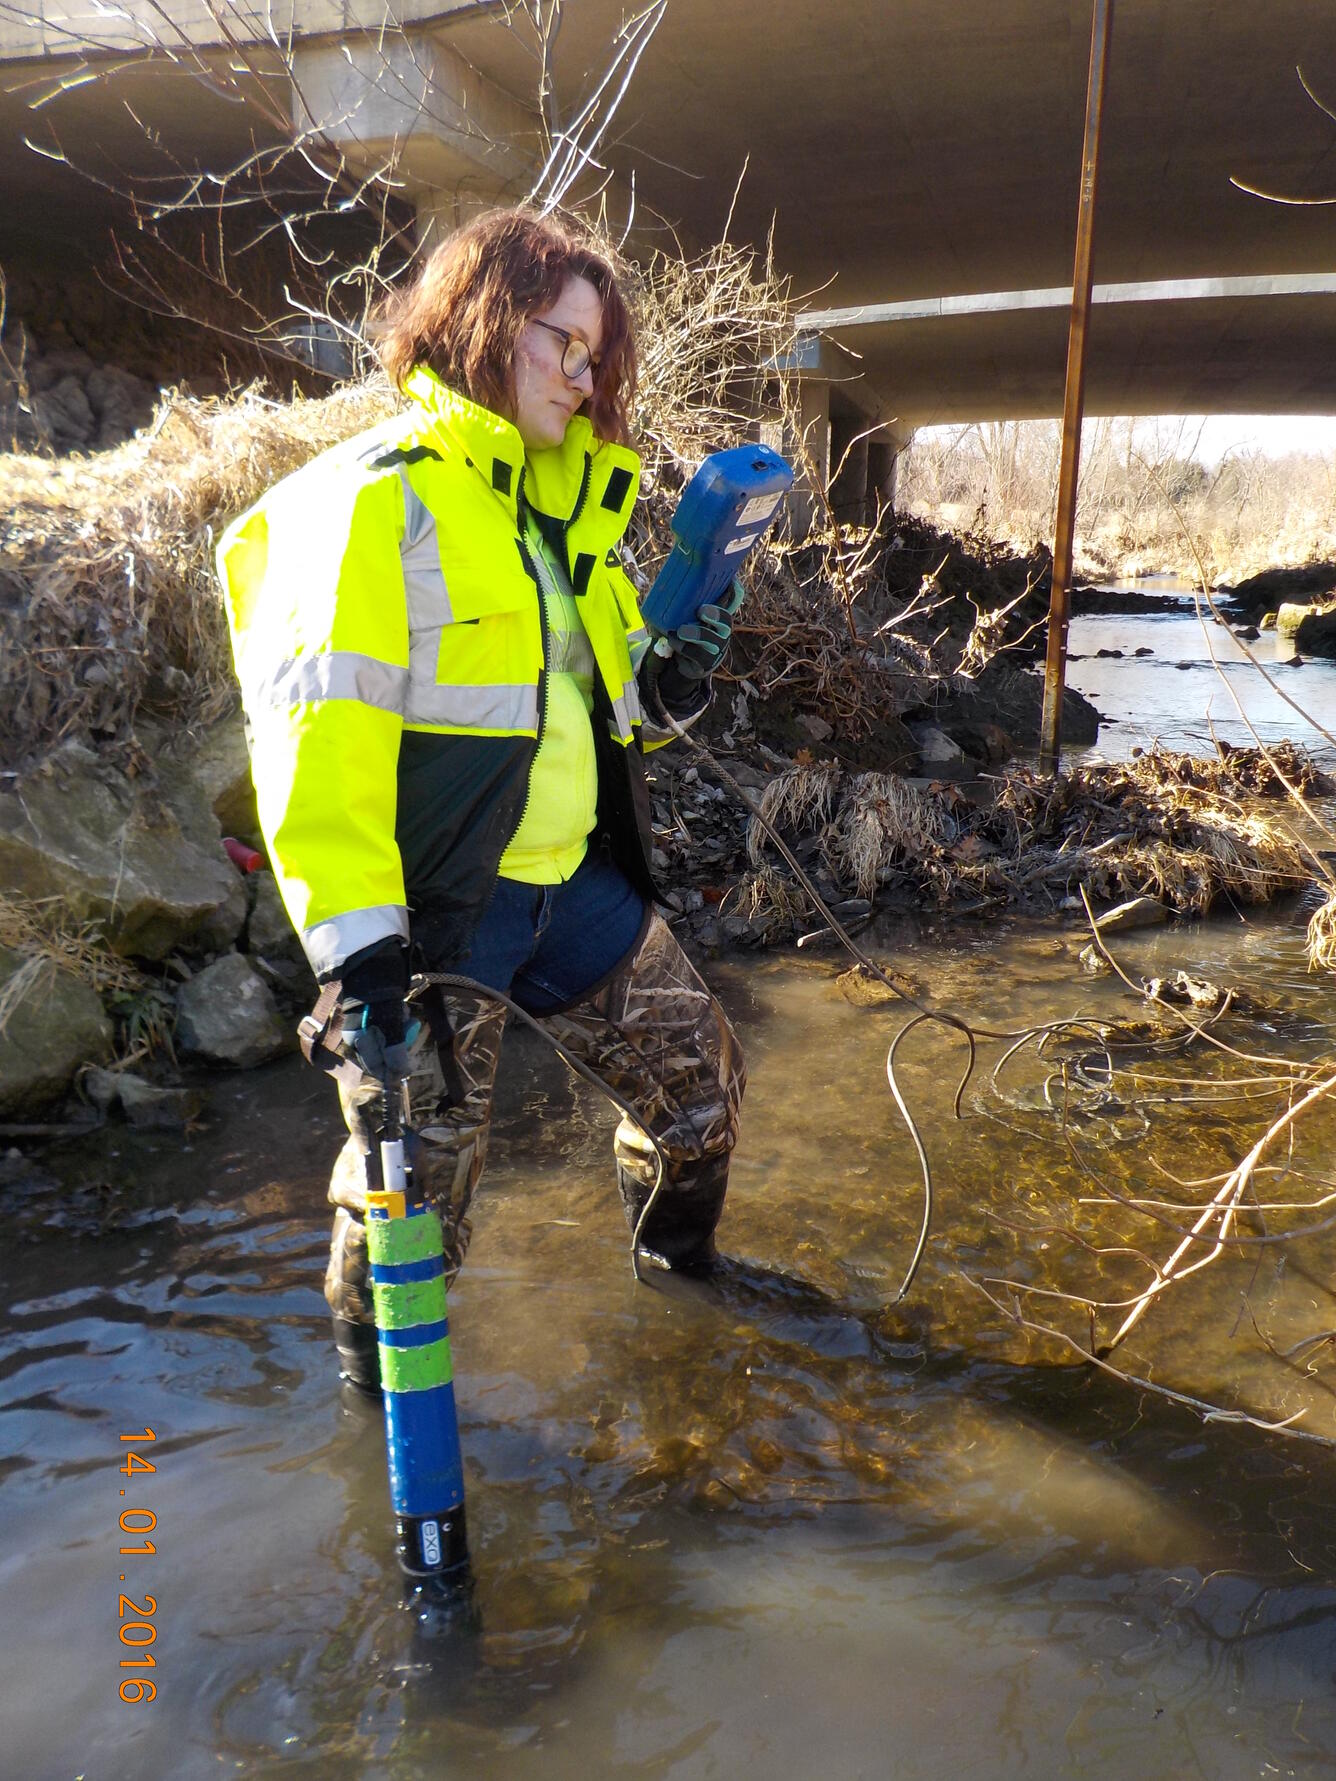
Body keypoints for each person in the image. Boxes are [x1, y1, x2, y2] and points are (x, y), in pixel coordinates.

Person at [217, 207, 746, 1391]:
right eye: (558, 339)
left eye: (594, 350)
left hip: (580, 887)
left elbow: (598, 703)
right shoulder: (373, 502)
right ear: (481, 324)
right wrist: (362, 974)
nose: (581, 370)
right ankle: (373, 1400)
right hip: (451, 923)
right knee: (417, 1208)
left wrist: (671, 665)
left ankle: (681, 1312)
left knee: (698, 1099)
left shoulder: (562, 512)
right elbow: (317, 754)